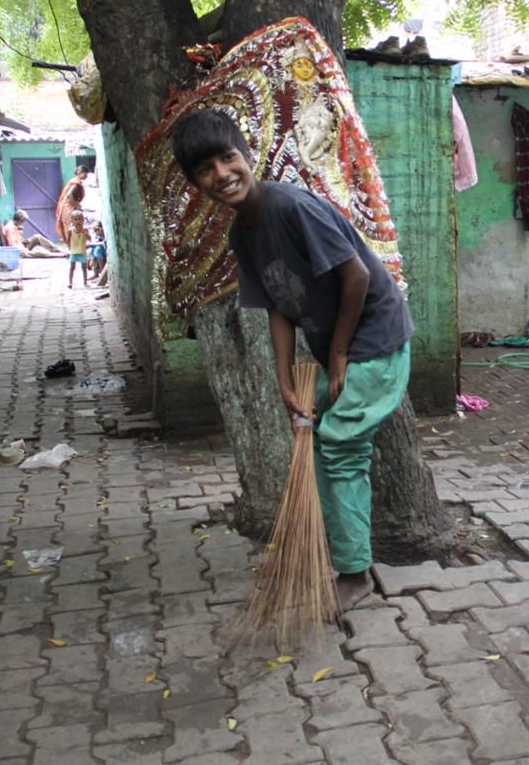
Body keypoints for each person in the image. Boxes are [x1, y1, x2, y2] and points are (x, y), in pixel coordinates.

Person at [172, 109, 414, 610]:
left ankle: (354, 573)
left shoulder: (289, 206)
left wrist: (340, 353)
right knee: (331, 449)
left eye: (227, 158)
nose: (221, 175)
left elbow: (358, 278)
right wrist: (283, 378)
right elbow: (279, 308)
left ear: (247, 154)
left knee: (339, 447)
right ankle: (351, 558)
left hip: (377, 337)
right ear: (196, 183)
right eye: (204, 170)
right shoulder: (244, 233)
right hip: (343, 348)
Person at [2, 209, 67, 256]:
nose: (22, 224)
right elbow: (12, 246)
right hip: (19, 251)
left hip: (21, 246)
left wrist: (23, 242)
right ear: (20, 220)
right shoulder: (9, 228)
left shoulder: (15, 226)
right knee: (39, 253)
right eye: (23, 221)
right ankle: (59, 255)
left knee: (37, 237)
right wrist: (24, 249)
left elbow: (17, 241)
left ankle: (57, 250)